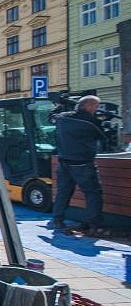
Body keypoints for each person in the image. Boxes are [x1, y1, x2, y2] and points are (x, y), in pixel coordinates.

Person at [51, 95, 107, 233]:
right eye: (95, 106)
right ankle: (94, 224)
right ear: (87, 106)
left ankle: (58, 220)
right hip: (83, 163)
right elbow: (103, 137)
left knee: (63, 192)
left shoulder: (62, 117)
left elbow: (51, 117)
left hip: (64, 162)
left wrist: (59, 106)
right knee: (93, 193)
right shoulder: (91, 121)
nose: (96, 109)